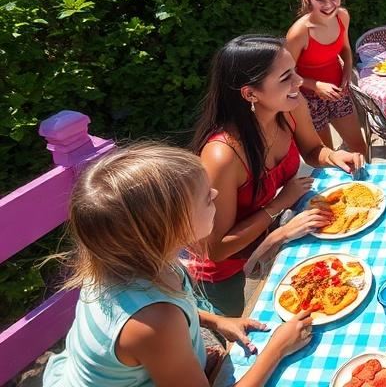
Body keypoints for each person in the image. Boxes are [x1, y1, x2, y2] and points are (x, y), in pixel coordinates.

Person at [43, 143, 313, 387]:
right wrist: (277, 349)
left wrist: (216, 321)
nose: (216, 192)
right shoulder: (154, 321)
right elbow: (156, 326)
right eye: (206, 197)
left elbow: (174, 312)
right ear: (168, 229)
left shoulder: (130, 259)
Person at [190, 35, 364, 316]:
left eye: (295, 71)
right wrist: (280, 207)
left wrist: (332, 156)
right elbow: (215, 250)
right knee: (241, 336)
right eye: (286, 77)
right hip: (225, 272)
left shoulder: (291, 109)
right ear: (250, 94)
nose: (299, 82)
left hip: (268, 237)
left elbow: (312, 149)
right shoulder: (222, 156)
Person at [284, 0, 367, 157]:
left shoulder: (343, 17)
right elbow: (285, 76)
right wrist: (315, 85)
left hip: (338, 91)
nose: (329, 5)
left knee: (359, 147)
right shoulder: (298, 33)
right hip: (308, 100)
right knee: (326, 156)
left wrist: (347, 70)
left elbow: (346, 49)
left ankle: (364, 185)